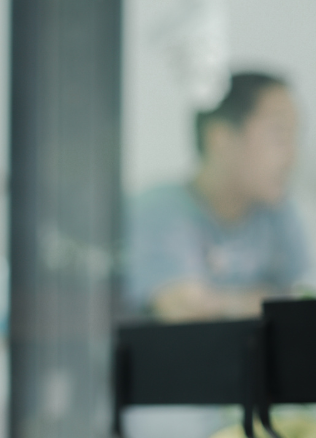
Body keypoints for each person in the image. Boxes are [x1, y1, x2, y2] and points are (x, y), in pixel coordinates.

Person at [126, 72, 307, 322]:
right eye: (278, 135)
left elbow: (304, 300)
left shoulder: (278, 211)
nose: (293, 156)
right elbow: (184, 310)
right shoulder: (158, 209)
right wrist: (273, 299)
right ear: (219, 138)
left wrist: (221, 300)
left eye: (295, 137)